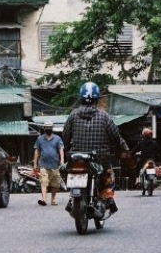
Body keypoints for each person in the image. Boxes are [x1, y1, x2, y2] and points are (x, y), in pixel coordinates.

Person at [61, 81, 129, 213]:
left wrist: (68, 148)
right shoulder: (104, 116)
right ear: (97, 99)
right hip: (100, 159)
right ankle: (108, 198)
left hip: (76, 158)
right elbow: (115, 136)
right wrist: (118, 149)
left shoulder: (73, 115)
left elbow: (65, 136)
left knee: (69, 172)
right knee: (108, 175)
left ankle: (71, 198)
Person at [32, 121, 64, 206]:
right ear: (44, 128)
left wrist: (62, 160)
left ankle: (53, 199)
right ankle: (44, 199)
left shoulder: (57, 138)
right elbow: (37, 151)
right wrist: (35, 164)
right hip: (43, 165)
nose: (48, 129)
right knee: (44, 181)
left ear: (52, 128)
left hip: (55, 165)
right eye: (47, 127)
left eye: (50, 127)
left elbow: (61, 149)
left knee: (55, 184)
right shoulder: (40, 139)